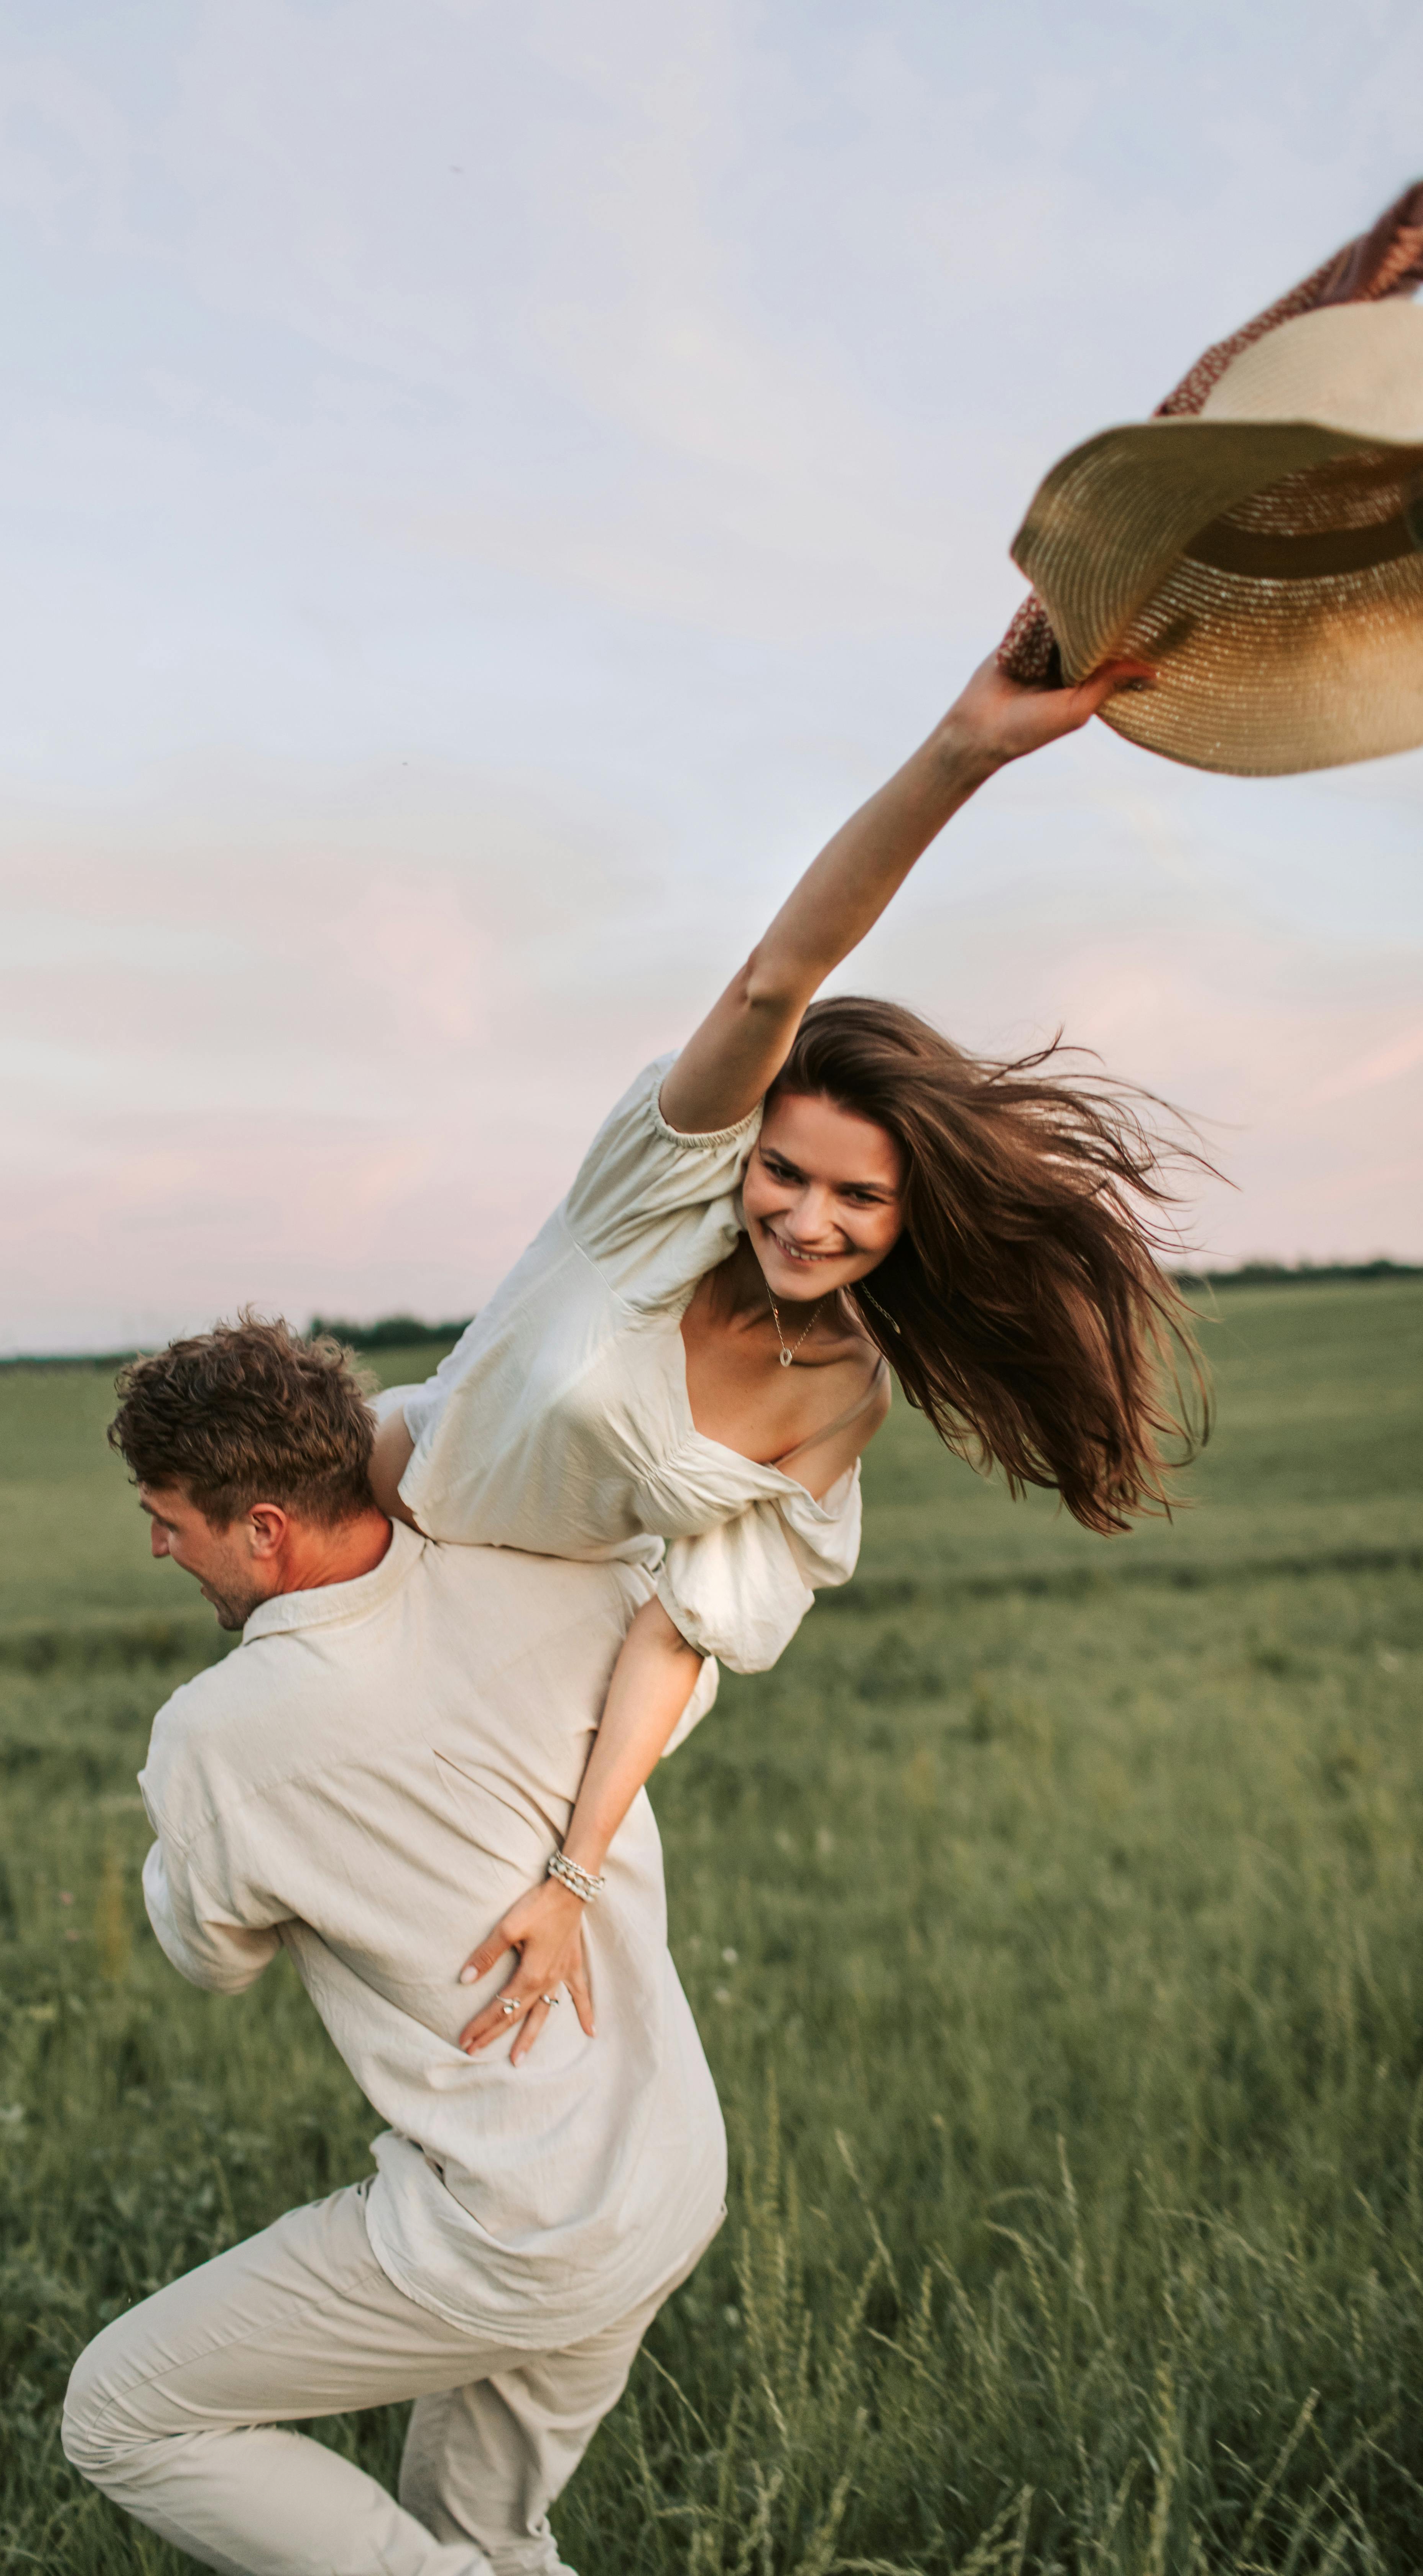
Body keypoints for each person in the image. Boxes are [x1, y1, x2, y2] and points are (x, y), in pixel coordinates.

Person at [368, 649, 1204, 2062]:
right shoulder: (658, 1191)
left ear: (908, 1213)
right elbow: (778, 980)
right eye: (787, 1173)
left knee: (500, 2038)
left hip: (523, 1673)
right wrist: (965, 748)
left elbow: (678, 1630)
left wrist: (575, 1875)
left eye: (859, 1197)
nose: (806, 1219)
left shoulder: (842, 1395)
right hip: (374, 1537)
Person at [62, 1319, 725, 2576]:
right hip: (670, 2173)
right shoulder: (549, 1574)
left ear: (264, 1528)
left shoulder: (217, 1736)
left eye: (168, 1517)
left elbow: (216, 1958)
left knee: (124, 2413)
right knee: (483, 2534)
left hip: (514, 2228)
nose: (157, 1543)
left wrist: (188, 1836)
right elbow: (678, 1685)